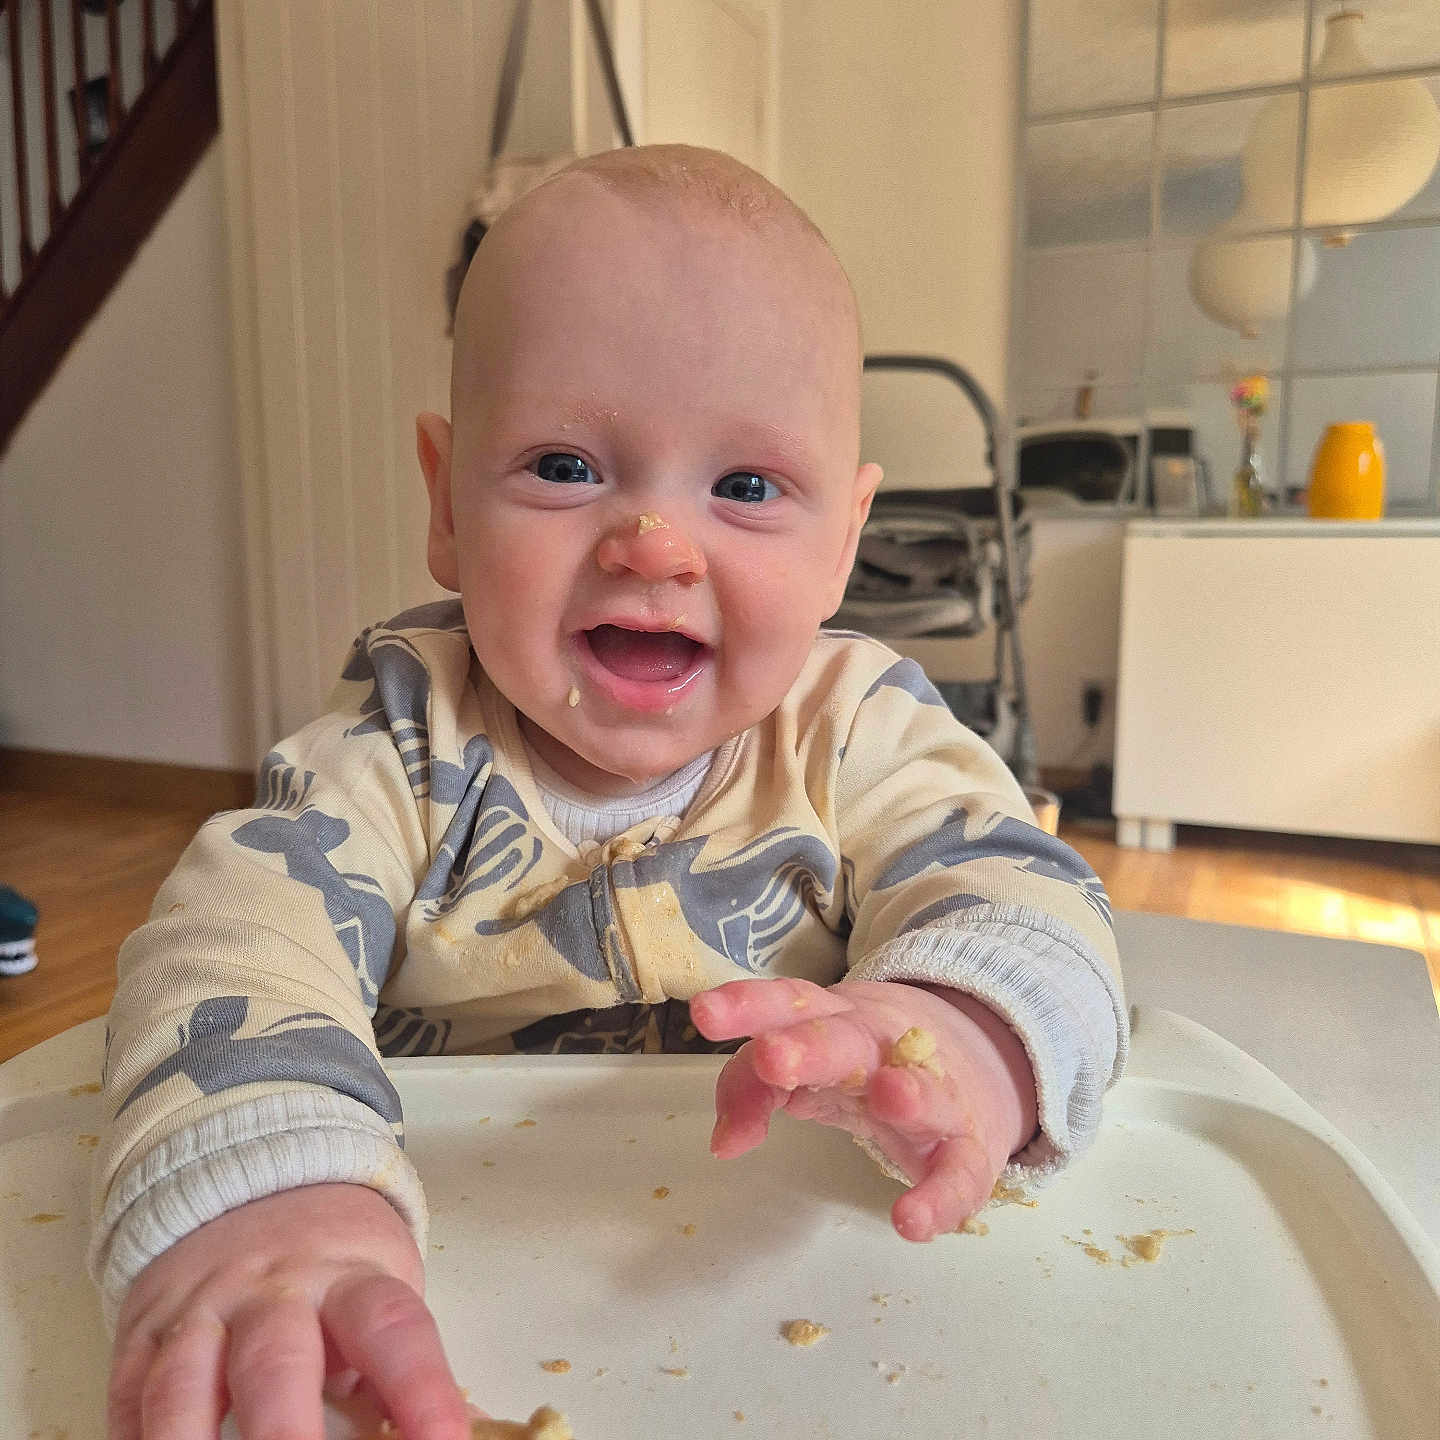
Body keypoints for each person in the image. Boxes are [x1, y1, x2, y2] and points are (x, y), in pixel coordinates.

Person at [92, 145, 1126, 1440]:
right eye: (566, 467)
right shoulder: (403, 747)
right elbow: (233, 939)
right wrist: (267, 1188)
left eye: (746, 488)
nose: (654, 544)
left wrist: (958, 1030)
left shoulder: (857, 730)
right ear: (448, 504)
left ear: (843, 544)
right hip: (458, 1296)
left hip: (797, 1294)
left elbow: (1033, 893)